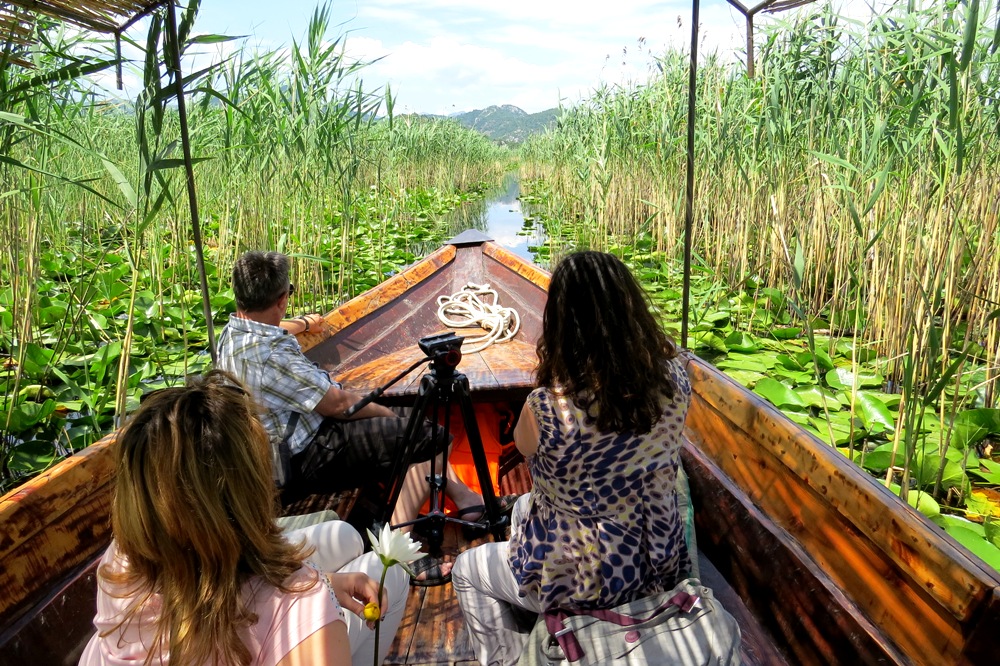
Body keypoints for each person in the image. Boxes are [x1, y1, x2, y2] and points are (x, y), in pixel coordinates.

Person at [451, 251, 694, 666]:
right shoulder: (676, 379)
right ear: (632, 310)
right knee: (523, 509)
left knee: (466, 569)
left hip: (588, 578)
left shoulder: (548, 406)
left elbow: (523, 447)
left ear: (562, 324)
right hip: (658, 556)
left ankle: (509, 659)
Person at [217, 250, 510, 585]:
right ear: (282, 299)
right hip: (301, 456)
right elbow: (339, 405)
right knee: (427, 437)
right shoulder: (271, 356)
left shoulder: (233, 334)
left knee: (416, 427)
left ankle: (469, 501)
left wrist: (304, 324)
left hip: (271, 449)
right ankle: (398, 550)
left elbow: (270, 326)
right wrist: (387, 413)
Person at [79, 370, 408, 666]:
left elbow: (201, 587)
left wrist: (326, 581)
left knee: (344, 535)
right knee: (391, 573)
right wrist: (317, 591)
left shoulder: (120, 560)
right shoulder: (300, 604)